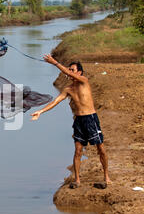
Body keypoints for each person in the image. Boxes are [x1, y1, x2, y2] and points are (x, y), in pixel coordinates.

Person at [31, 55, 111, 188]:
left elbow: (66, 72)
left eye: (72, 70)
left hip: (90, 118)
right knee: (78, 150)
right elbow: (55, 101)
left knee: (100, 149)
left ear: (79, 72)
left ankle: (106, 177)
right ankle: (77, 180)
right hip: (79, 120)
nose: (70, 72)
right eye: (70, 70)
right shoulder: (68, 89)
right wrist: (40, 111)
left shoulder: (84, 81)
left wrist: (55, 62)